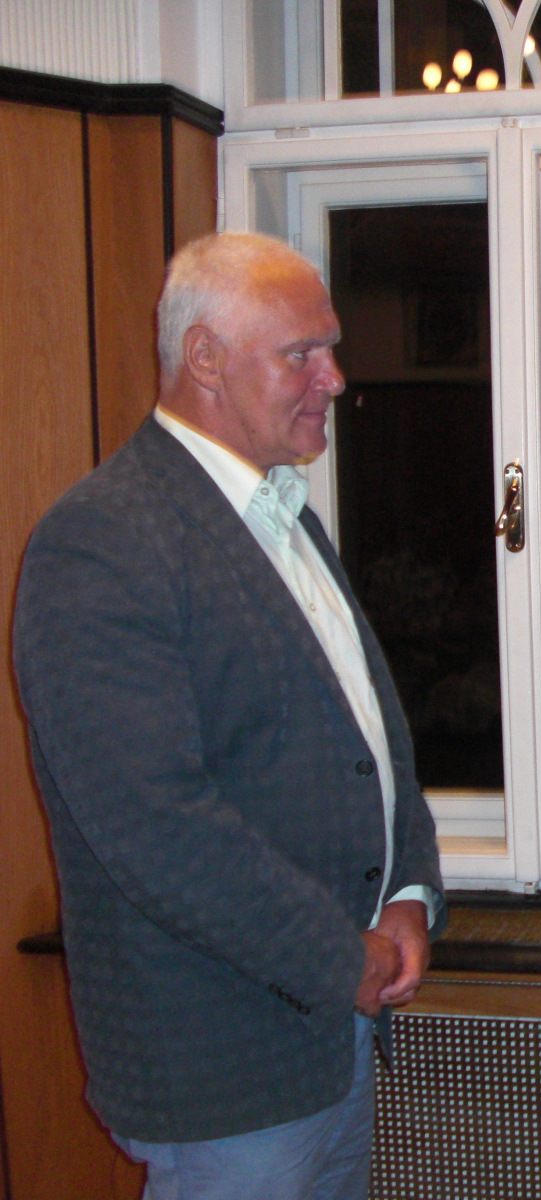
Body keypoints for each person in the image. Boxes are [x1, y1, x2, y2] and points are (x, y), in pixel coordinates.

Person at [12, 232, 446, 1200]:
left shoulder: (284, 515)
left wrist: (411, 890)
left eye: (331, 349)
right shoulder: (103, 540)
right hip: (224, 1068)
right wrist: (341, 956)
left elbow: (373, 741)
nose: (334, 378)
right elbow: (153, 824)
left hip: (334, 1036)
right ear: (204, 358)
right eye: (303, 353)